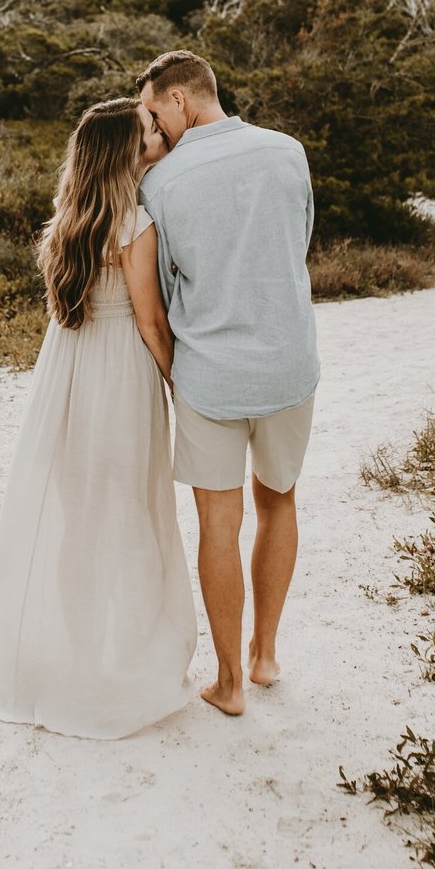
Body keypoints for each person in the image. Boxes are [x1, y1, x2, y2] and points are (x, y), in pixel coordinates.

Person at [0, 97, 197, 739]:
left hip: (69, 377)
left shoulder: (67, 224)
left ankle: (71, 659)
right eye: (142, 133)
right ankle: (121, 666)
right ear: (122, 155)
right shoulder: (134, 222)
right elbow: (151, 320)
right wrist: (181, 386)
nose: (151, 138)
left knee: (78, 515)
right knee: (130, 511)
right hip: (120, 378)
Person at [137, 51, 319, 717]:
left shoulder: (158, 184)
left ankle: (229, 682)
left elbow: (162, 287)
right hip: (288, 361)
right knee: (279, 502)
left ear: (180, 99)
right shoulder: (288, 152)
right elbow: (297, 243)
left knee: (219, 521)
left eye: (156, 111)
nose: (155, 126)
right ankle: (265, 654)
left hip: (209, 374)